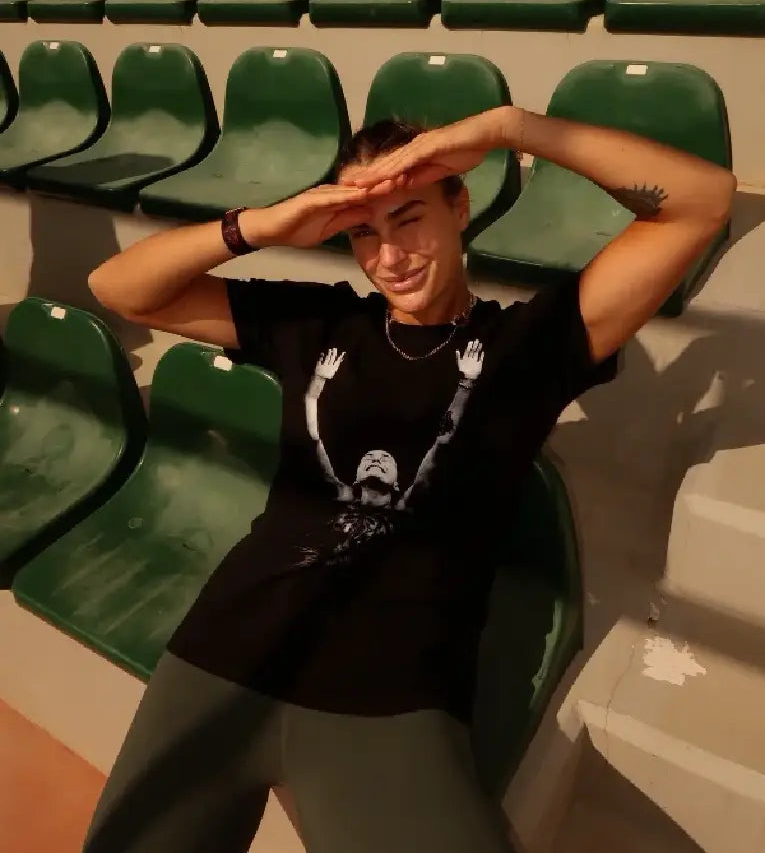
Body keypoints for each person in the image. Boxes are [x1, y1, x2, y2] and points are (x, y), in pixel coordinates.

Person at [83, 105, 735, 853]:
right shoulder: (322, 324)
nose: (390, 256)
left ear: (459, 206)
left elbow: (700, 202)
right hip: (227, 650)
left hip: (387, 699)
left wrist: (508, 129)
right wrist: (261, 227)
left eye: (409, 218)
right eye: (364, 232)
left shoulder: (526, 346)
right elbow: (120, 288)